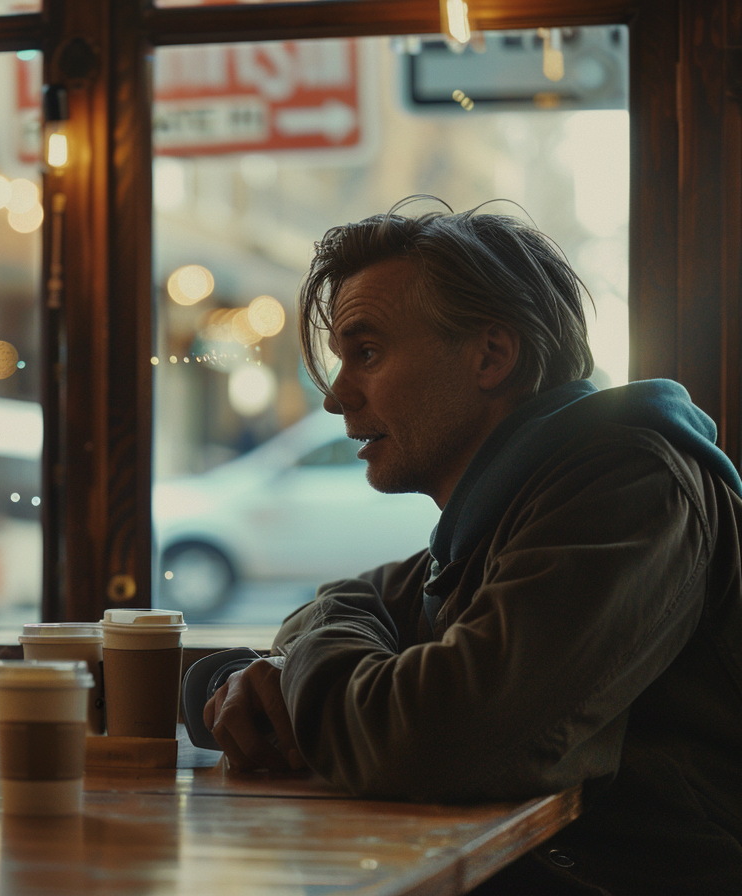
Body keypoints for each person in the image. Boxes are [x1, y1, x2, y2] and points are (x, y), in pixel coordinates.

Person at [203, 198, 742, 894]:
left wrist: (305, 655)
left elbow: (439, 739)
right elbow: (352, 600)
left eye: (365, 353)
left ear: (491, 355)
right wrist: (270, 665)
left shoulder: (633, 489)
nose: (336, 398)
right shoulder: (502, 517)